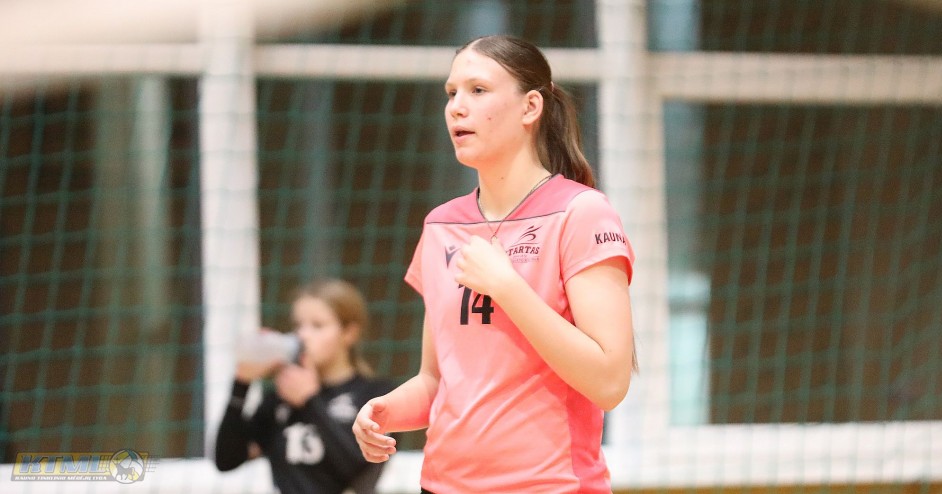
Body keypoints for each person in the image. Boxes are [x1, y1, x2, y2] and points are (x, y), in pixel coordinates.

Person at [352, 34, 637, 493]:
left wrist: (508, 287)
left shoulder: (581, 212)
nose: (456, 108)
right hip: (442, 485)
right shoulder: (442, 224)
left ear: (530, 107)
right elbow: (436, 380)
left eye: (478, 90)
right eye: (451, 93)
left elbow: (609, 383)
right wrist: (385, 410)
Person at [215, 278, 396, 494]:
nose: (303, 335)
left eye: (317, 326)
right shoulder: (280, 399)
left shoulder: (376, 394)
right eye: (298, 325)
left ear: (349, 333)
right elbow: (226, 460)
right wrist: (241, 384)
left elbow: (360, 470)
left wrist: (310, 401)